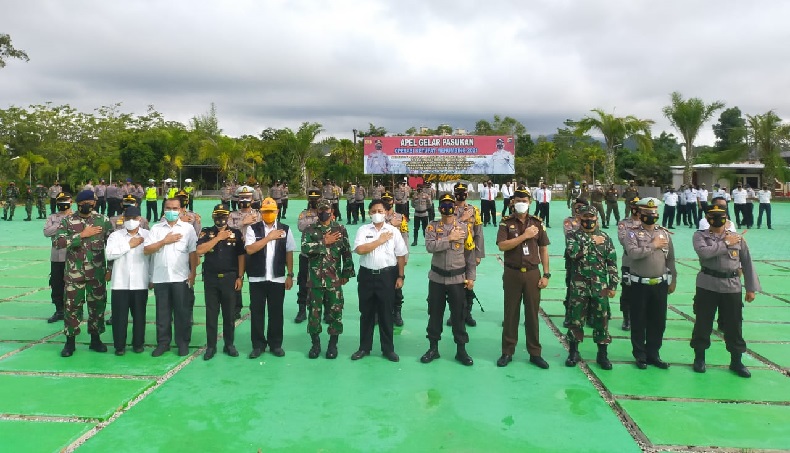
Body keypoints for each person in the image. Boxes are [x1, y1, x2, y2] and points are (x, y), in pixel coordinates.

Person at [691, 205, 761, 378]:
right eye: (713, 216)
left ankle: (736, 361)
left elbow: (747, 262)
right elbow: (705, 253)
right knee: (703, 323)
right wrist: (726, 244)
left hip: (731, 286)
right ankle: (699, 358)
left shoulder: (738, 238)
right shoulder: (700, 236)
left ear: (726, 218)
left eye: (721, 216)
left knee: (734, 324)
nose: (717, 220)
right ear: (707, 218)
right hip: (707, 284)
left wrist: (751, 288)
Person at [496, 186, 551, 369]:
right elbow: (502, 246)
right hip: (512, 273)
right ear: (513, 202)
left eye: (524, 200)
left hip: (532, 273)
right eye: (518, 200)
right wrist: (524, 236)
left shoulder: (537, 222)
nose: (521, 203)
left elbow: (543, 248)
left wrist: (546, 274)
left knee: (532, 315)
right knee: (510, 313)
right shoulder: (506, 223)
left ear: (530, 202)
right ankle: (507, 351)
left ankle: (535, 353)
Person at [54, 190, 113, 357]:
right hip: (74, 274)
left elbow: (113, 247)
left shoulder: (103, 221)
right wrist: (81, 235)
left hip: (97, 274)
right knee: (72, 308)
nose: (89, 204)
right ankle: (70, 343)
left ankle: (96, 340)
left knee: (97, 307)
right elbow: (58, 242)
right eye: (85, 202)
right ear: (78, 203)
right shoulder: (67, 221)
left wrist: (110, 269)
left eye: (91, 201)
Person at [422, 194, 477, 366]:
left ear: (455, 207)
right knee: (435, 313)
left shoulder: (464, 227)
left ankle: (461, 350)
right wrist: (449, 239)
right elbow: (430, 247)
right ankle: (433, 348)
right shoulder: (432, 227)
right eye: (444, 204)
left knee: (459, 314)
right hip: (437, 278)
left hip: (458, 279)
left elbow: (470, 254)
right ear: (439, 208)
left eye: (450, 204)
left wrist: (471, 277)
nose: (447, 207)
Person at [351, 199, 408, 362]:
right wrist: (379, 241)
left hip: (387, 276)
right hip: (367, 276)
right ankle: (364, 348)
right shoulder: (363, 230)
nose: (377, 214)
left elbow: (401, 254)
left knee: (386, 313)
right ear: (369, 213)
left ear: (386, 213)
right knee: (366, 313)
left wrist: (400, 276)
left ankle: (388, 349)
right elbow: (360, 250)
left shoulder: (393, 231)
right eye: (374, 211)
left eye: (380, 211)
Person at [624, 198, 677, 369]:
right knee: (639, 320)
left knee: (658, 321)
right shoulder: (631, 233)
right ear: (640, 215)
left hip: (659, 284)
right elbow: (633, 254)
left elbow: (671, 259)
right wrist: (652, 245)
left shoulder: (664, 234)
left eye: (654, 214)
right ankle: (640, 355)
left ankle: (653, 353)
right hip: (639, 284)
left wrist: (673, 279)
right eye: (647, 214)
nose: (651, 216)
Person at [564, 205, 618, 370]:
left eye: (591, 217)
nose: (589, 220)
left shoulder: (605, 237)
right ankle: (573, 352)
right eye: (585, 217)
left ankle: (602, 354)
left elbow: (612, 262)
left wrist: (613, 284)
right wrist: (591, 241)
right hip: (578, 285)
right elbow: (573, 253)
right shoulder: (573, 236)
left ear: (597, 218)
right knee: (575, 319)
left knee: (602, 319)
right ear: (579, 219)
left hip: (599, 286)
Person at [144, 198, 198, 357]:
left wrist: (193, 273)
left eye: (175, 208)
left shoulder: (188, 229)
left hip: (181, 277)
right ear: (163, 210)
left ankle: (182, 343)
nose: (172, 211)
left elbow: (193, 252)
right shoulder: (156, 229)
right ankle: (163, 343)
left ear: (181, 210)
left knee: (183, 313)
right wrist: (164, 241)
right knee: (163, 314)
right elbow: (147, 249)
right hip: (161, 278)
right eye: (168, 208)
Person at [301, 199, 355, 359]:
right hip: (315, 281)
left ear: (332, 211)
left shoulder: (340, 229)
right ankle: (315, 345)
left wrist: (347, 272)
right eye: (321, 210)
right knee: (314, 315)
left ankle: (333, 345)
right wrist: (324, 242)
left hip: (334, 280)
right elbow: (305, 249)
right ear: (317, 211)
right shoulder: (310, 230)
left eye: (327, 210)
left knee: (335, 313)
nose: (324, 212)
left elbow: (346, 252)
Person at [244, 198, 295, 358]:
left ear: (277, 212)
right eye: (265, 212)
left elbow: (289, 252)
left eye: (271, 211)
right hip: (257, 278)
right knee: (257, 313)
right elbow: (250, 250)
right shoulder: (253, 229)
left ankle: (275, 344)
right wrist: (269, 238)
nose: (268, 214)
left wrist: (290, 274)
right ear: (260, 213)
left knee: (276, 313)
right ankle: (258, 345)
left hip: (277, 278)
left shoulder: (285, 229)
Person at [196, 204, 246, 360]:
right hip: (211, 279)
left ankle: (229, 344)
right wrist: (218, 238)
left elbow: (241, 256)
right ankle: (211, 347)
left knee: (229, 314)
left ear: (228, 217)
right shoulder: (206, 232)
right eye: (218, 216)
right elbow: (199, 250)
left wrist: (240, 276)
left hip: (229, 278)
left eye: (224, 216)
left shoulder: (236, 233)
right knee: (211, 314)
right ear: (213, 217)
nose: (221, 219)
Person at [105, 206, 150, 355]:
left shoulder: (148, 235)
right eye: (128, 219)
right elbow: (109, 254)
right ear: (123, 219)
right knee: (119, 317)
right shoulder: (115, 236)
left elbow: (152, 258)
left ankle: (138, 344)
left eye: (135, 218)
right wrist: (129, 245)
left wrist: (151, 278)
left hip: (140, 281)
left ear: (140, 219)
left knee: (139, 316)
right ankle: (119, 346)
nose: (132, 221)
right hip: (120, 282)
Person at [451, 182, 485, 327]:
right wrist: (462, 218)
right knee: (454, 284)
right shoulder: (448, 208)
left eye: (463, 192)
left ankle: (467, 313)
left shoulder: (474, 210)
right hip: (452, 251)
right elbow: (447, 228)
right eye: (458, 192)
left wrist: (479, 254)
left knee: (469, 282)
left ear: (467, 193)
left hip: (469, 251)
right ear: (454, 193)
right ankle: (454, 315)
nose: (460, 194)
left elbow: (478, 233)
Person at [228, 185, 261, 320]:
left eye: (247, 198)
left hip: (253, 252)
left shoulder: (258, 214)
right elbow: (227, 229)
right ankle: (236, 308)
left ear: (252, 199)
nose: (244, 200)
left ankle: (255, 306)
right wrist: (242, 222)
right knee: (237, 280)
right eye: (242, 197)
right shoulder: (232, 215)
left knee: (254, 280)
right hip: (236, 251)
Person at [381, 191, 410, 326]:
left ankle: (396, 312)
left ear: (393, 201)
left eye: (389, 200)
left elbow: (405, 236)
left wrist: (405, 255)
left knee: (397, 285)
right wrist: (390, 224)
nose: (387, 202)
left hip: (395, 256)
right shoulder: (377, 216)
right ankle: (378, 313)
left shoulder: (400, 217)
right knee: (379, 286)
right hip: (381, 256)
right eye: (384, 200)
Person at [43, 192, 72, 323]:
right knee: (56, 284)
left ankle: (73, 310)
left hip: (71, 256)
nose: (62, 203)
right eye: (60, 201)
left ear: (71, 202)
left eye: (65, 200)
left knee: (72, 284)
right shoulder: (52, 217)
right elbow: (46, 232)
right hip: (56, 257)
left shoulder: (76, 217)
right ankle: (59, 310)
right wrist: (61, 223)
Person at [294, 188, 322, 323]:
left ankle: (327, 311)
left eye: (316, 198)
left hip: (322, 255)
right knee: (303, 282)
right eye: (312, 199)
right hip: (306, 255)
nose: (314, 201)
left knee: (324, 282)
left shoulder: (326, 212)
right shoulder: (304, 213)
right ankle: (301, 310)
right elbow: (301, 226)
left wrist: (313, 223)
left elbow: (329, 226)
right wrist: (317, 223)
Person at [562, 198, 589, 327]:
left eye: (581, 207)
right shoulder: (569, 221)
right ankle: (569, 315)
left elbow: (596, 233)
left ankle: (590, 315)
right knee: (571, 287)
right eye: (576, 206)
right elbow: (570, 235)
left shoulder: (592, 220)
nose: (578, 209)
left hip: (590, 259)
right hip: (573, 258)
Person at [617, 196, 641, 331]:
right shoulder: (624, 224)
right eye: (634, 207)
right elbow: (623, 240)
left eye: (639, 208)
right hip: (629, 262)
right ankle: (627, 318)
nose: (636, 210)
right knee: (627, 290)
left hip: (644, 263)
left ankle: (640, 317)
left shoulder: (649, 224)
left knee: (642, 291)